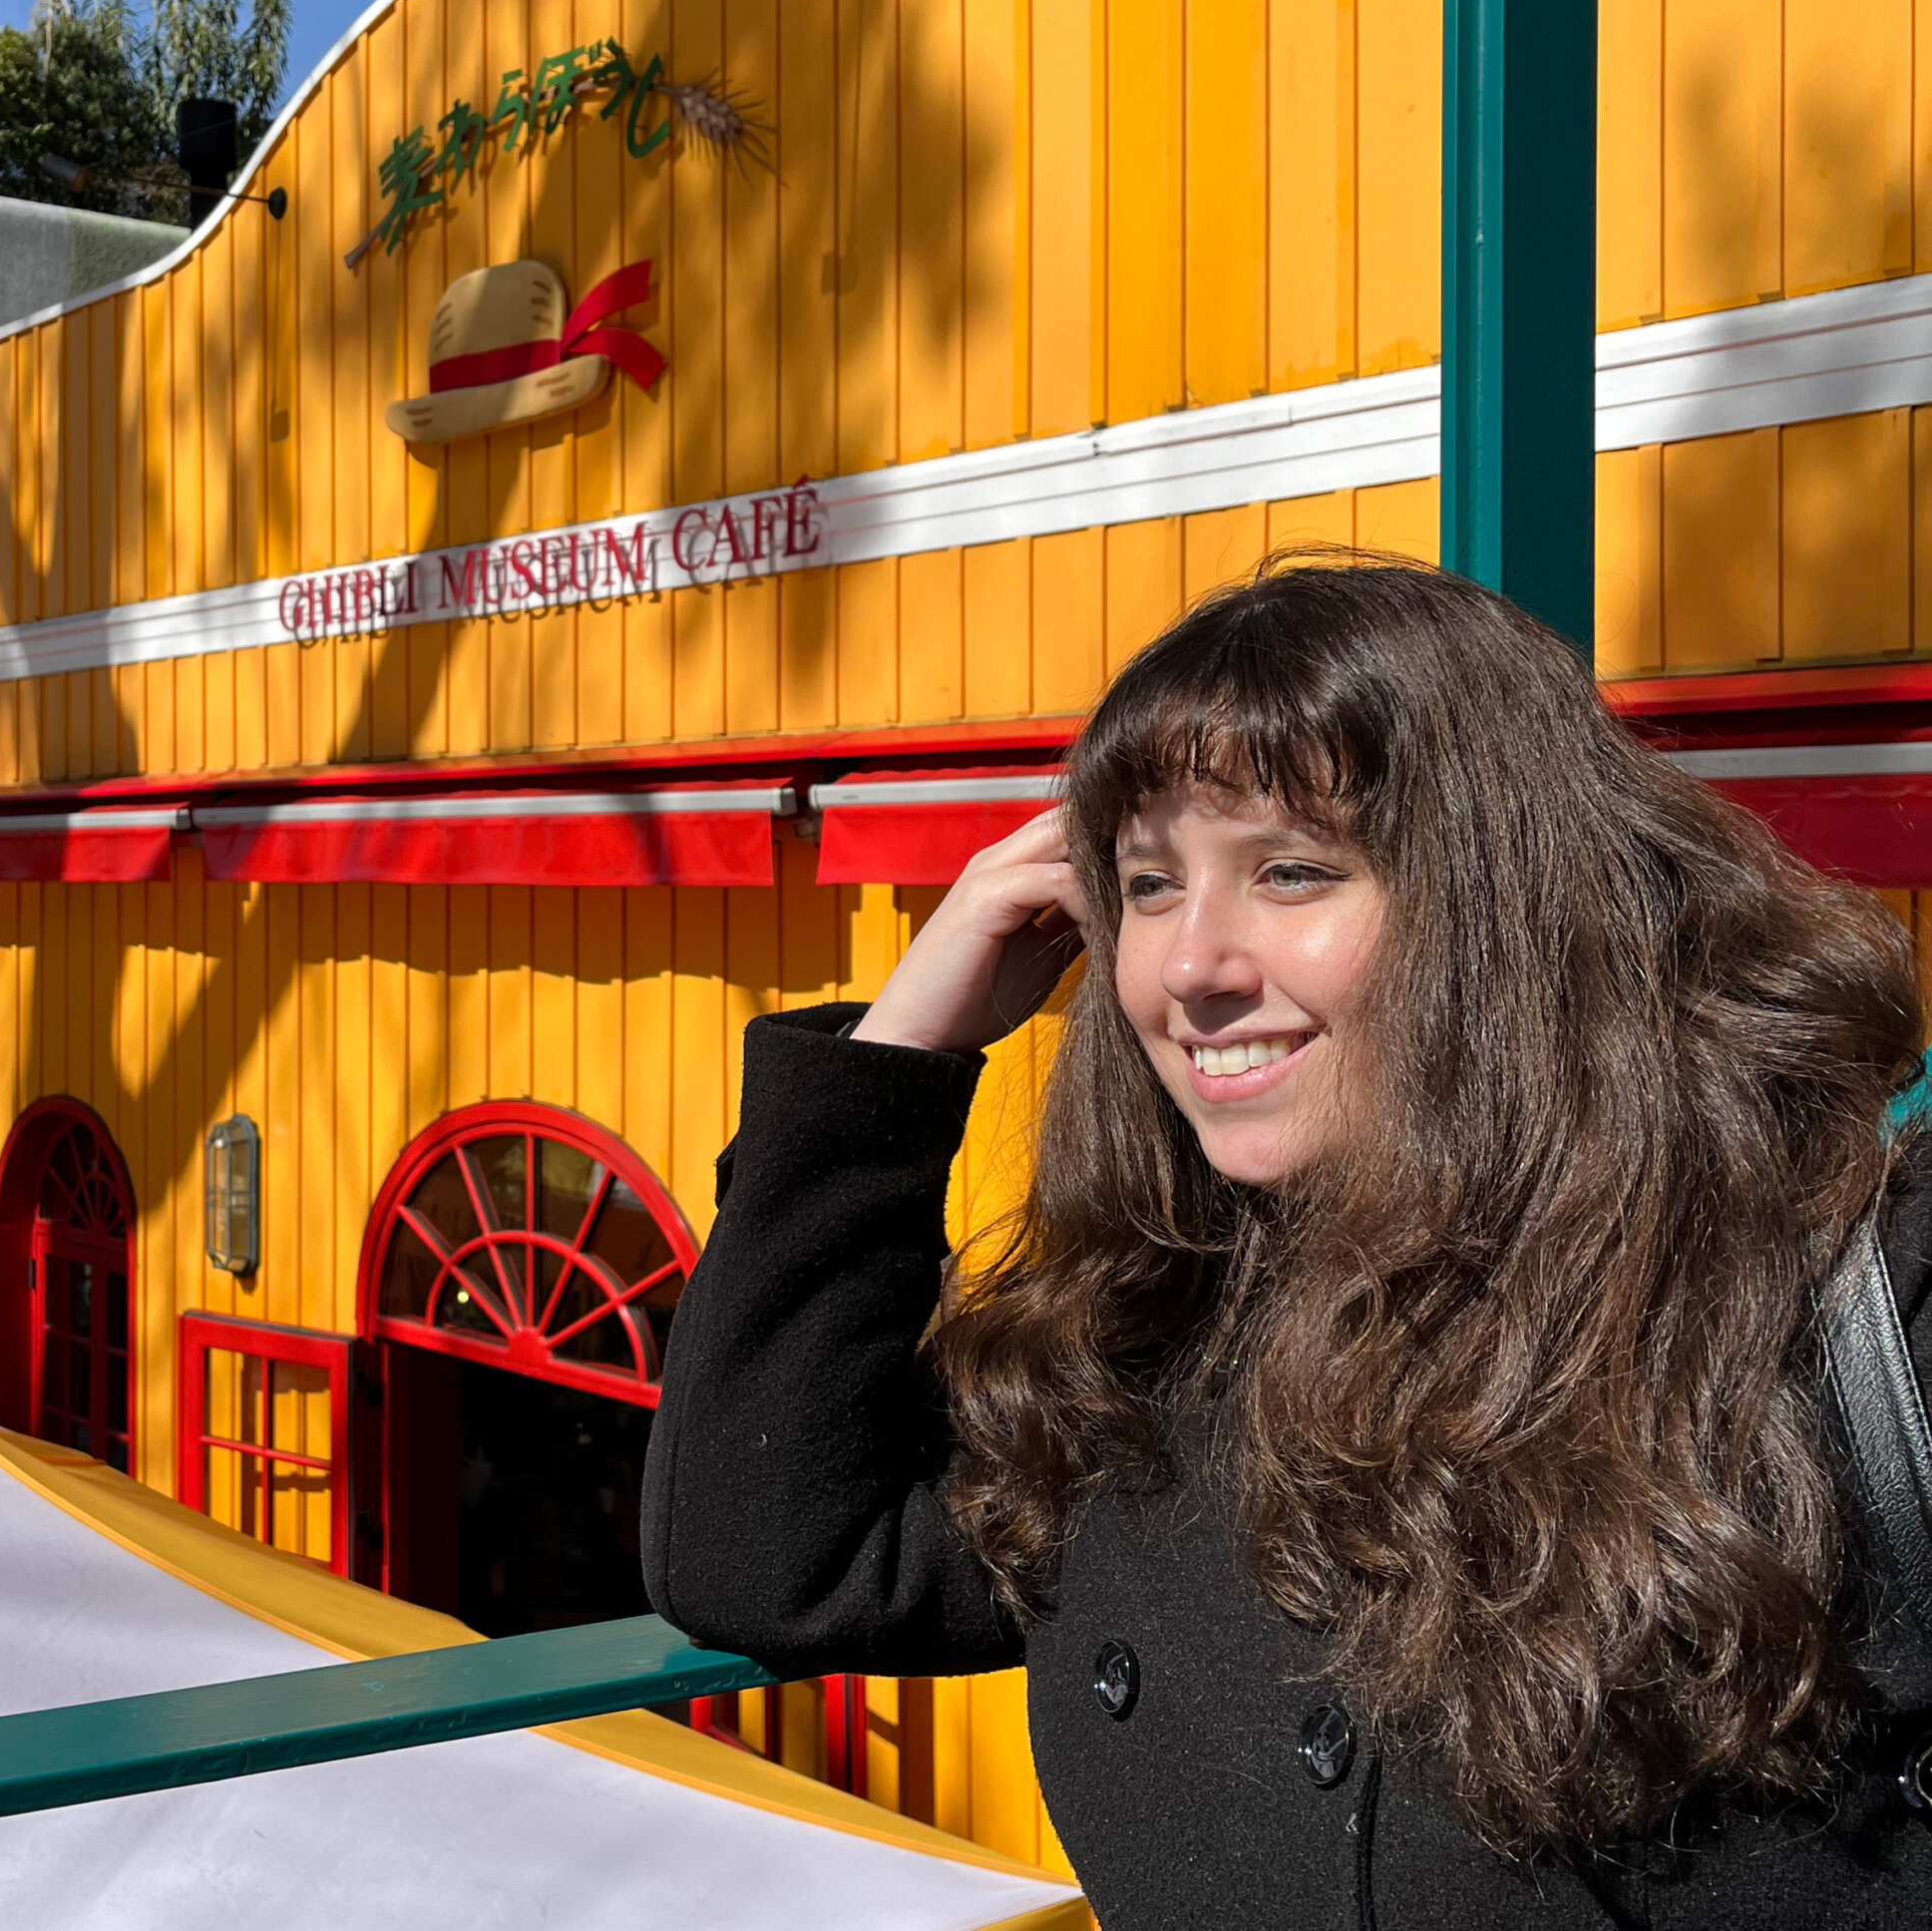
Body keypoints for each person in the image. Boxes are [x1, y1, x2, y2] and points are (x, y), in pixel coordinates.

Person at [642, 559, 1932, 1927]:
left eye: (1293, 871)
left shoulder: (1853, 1291)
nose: (1193, 963)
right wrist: (899, 1054)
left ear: (1508, 904)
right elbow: (770, 1554)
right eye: (1143, 886)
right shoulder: (1158, 1336)